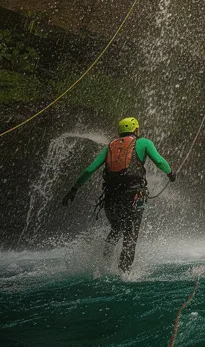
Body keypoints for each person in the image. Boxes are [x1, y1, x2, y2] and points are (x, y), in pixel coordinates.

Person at [62, 116, 173, 272]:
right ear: (136, 130)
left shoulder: (110, 146)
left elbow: (89, 170)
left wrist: (74, 189)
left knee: (116, 228)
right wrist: (170, 173)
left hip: (111, 198)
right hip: (135, 195)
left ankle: (104, 262)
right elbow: (160, 162)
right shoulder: (143, 143)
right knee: (130, 235)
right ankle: (124, 274)